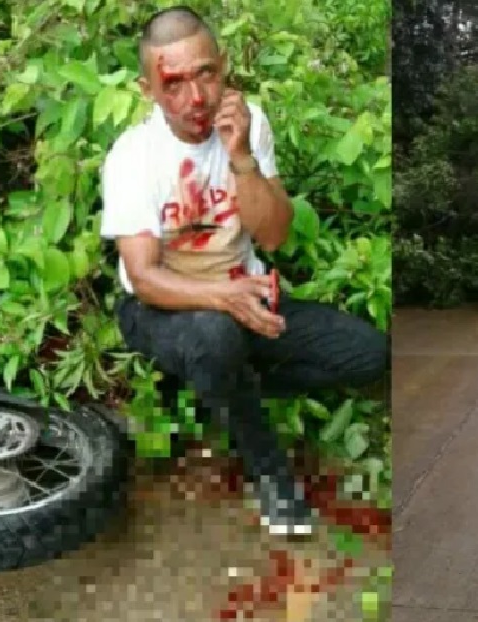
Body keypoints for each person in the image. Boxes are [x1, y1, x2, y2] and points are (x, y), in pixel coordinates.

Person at [99, 6, 388, 536]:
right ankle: (270, 475)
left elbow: (275, 235)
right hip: (161, 309)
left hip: (246, 293)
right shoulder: (132, 158)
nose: (196, 98)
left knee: (370, 353)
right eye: (175, 84)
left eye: (206, 74)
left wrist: (243, 159)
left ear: (224, 66)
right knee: (213, 334)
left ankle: (227, 386)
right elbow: (143, 276)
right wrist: (224, 297)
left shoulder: (250, 125)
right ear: (149, 90)